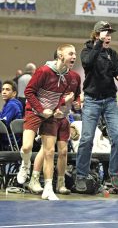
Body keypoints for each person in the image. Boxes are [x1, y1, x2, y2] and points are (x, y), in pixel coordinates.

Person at [16, 44, 79, 200]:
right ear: (60, 55)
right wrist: (41, 109)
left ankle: (49, 189)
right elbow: (28, 91)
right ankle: (25, 165)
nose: (74, 56)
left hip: (51, 116)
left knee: (49, 152)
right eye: (70, 53)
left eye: (75, 54)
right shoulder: (43, 71)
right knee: (26, 147)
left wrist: (60, 107)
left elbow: (62, 97)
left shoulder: (70, 77)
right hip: (34, 111)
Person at [75, 21, 118, 192]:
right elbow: (88, 63)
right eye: (106, 33)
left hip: (110, 100)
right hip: (91, 100)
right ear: (97, 34)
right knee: (87, 138)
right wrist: (98, 44)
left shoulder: (112, 53)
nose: (109, 36)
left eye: (110, 33)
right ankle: (81, 175)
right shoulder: (87, 50)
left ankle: (114, 174)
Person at [0, 80, 23, 151]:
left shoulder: (12, 105)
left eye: (7, 89)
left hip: (9, 142)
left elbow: (2, 124)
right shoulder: (8, 104)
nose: (3, 92)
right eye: (3, 89)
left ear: (14, 93)